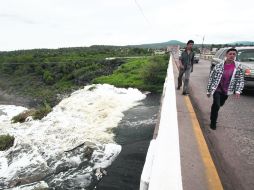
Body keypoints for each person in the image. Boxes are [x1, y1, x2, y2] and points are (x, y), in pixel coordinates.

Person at [206, 48, 244, 130]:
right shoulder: (219, 66)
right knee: (217, 105)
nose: (232, 56)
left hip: (227, 91)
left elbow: (240, 79)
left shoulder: (238, 67)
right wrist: (209, 90)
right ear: (226, 55)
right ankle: (213, 122)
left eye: (234, 54)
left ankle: (213, 110)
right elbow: (211, 78)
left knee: (220, 104)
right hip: (217, 89)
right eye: (230, 54)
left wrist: (238, 91)